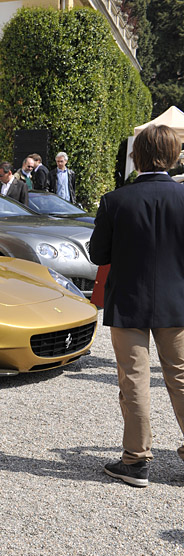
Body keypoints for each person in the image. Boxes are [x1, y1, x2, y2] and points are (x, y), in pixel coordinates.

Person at [89, 124, 184, 488]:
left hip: (129, 298)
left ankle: (137, 460)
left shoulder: (115, 200)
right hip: (176, 301)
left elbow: (98, 254)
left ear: (136, 155)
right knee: (180, 377)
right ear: (174, 156)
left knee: (134, 380)